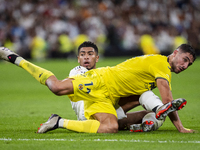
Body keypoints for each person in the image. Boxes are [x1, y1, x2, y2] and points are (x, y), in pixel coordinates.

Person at [0, 43, 195, 133]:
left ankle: (58, 122)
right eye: (184, 59)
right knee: (56, 86)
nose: (185, 66)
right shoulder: (161, 65)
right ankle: (16, 58)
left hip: (109, 98)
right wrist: (180, 127)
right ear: (175, 53)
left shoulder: (159, 66)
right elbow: (168, 100)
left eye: (189, 64)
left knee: (111, 127)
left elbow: (167, 104)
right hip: (101, 81)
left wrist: (167, 114)